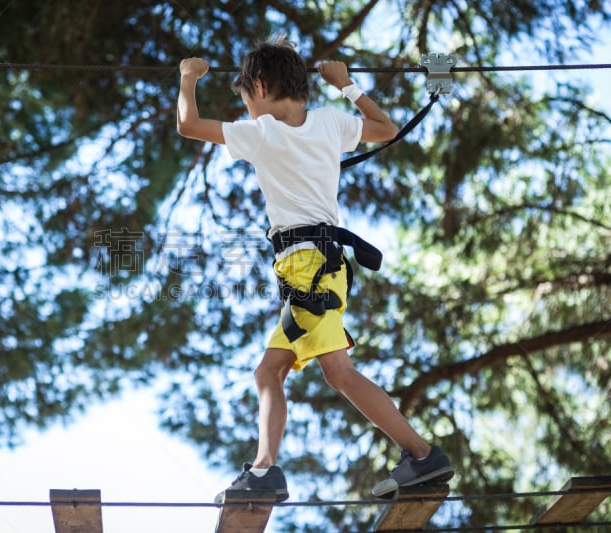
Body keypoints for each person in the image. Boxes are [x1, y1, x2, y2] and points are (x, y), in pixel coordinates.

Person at [176, 37, 453, 503]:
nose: (245, 104)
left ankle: (422, 455)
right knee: (269, 373)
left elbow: (188, 125)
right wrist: (346, 86)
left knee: (338, 372)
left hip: (309, 267)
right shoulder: (329, 121)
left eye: (245, 95)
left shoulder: (258, 132)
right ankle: (265, 469)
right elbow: (386, 129)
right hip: (312, 269)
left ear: (259, 86)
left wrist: (188, 76)